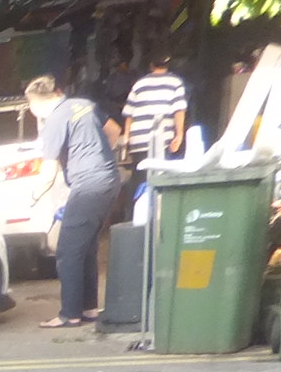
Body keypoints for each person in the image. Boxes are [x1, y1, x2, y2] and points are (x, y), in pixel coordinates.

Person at [26, 75, 122, 328]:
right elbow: (115, 131)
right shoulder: (84, 104)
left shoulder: (54, 121)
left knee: (67, 251)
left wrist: (34, 196)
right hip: (108, 179)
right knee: (86, 248)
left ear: (35, 103)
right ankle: (89, 309)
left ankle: (69, 314)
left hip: (89, 186)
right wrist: (100, 158)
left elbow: (48, 173)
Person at [120, 57, 190, 168]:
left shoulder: (139, 84)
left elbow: (129, 114)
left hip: (138, 140)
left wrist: (126, 137)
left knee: (141, 175)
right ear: (168, 65)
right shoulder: (175, 82)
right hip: (162, 140)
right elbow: (179, 110)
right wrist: (179, 135)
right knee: (159, 175)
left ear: (151, 65)